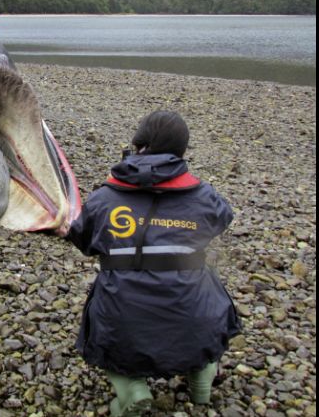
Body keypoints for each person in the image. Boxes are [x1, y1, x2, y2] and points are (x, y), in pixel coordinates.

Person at [66, 110, 241, 416]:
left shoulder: (105, 198)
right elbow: (221, 220)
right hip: (193, 318)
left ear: (138, 143)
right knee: (210, 294)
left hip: (123, 318)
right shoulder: (203, 195)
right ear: (181, 151)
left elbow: (81, 237)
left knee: (102, 332)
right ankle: (201, 376)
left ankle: (132, 389)